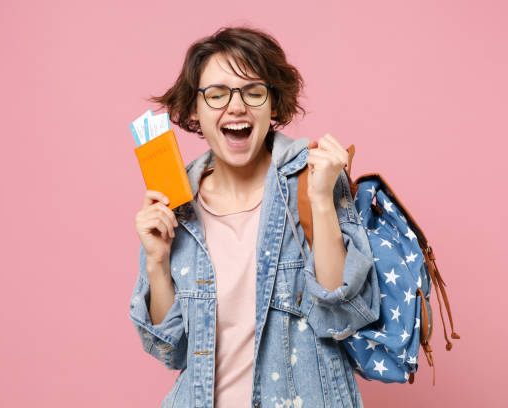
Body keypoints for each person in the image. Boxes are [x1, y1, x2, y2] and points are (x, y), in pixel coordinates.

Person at [129, 26, 380, 408]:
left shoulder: (314, 179)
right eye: (216, 95)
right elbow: (171, 350)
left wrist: (322, 200)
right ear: (194, 109)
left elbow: (343, 317)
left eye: (253, 92)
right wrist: (157, 261)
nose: (235, 106)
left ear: (274, 105)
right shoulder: (176, 203)